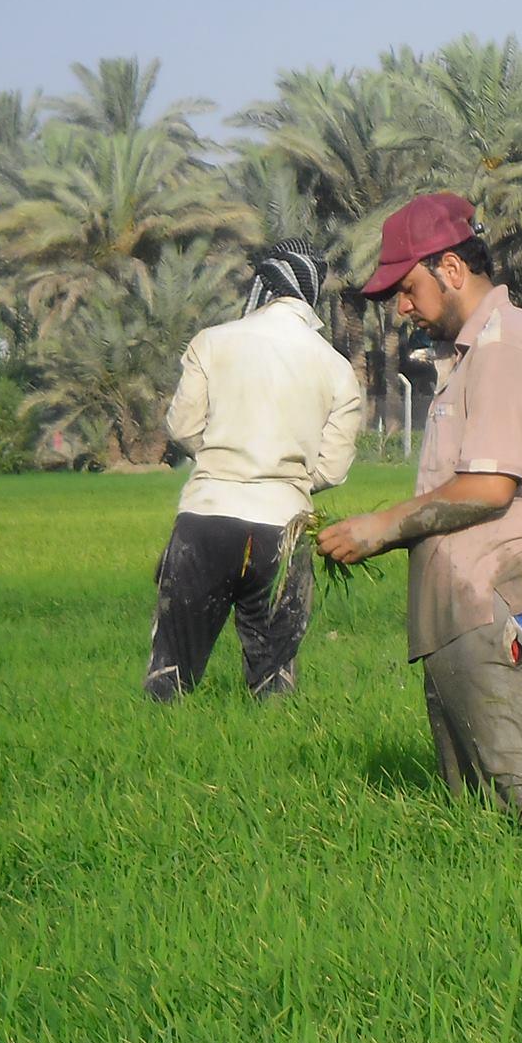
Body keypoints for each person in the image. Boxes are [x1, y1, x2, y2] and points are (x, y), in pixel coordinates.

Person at [316, 194, 522, 833]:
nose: (402, 308)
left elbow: (489, 488)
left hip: (493, 607)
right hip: (462, 610)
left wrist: (381, 526)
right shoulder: (469, 354)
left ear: (453, 270)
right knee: (484, 821)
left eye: (408, 289)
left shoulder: (500, 349)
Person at [144, 239, 363, 702]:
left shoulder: (213, 341)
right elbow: (334, 468)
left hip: (205, 519)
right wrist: (288, 480)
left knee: (171, 672)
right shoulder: (337, 368)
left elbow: (182, 426)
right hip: (283, 528)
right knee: (274, 676)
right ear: (310, 292)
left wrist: (225, 461)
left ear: (263, 284)